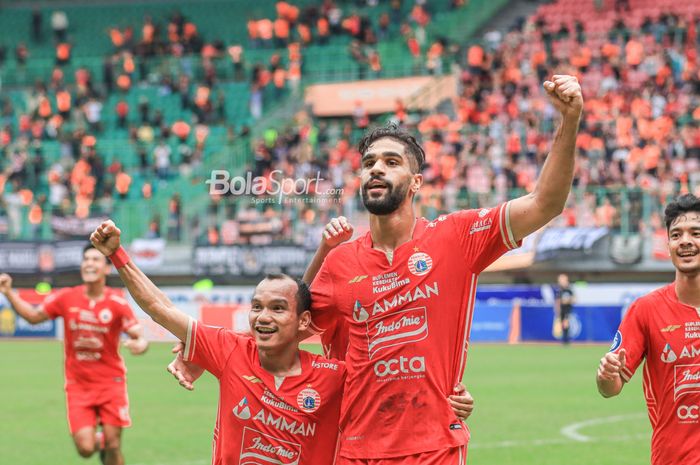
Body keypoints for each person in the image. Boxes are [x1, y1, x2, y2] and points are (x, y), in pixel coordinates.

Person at [172, 74, 583, 463]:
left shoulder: (457, 237)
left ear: (416, 182)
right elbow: (285, 321)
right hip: (353, 448)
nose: (376, 169)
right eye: (369, 162)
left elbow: (546, 203)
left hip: (434, 445)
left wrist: (569, 119)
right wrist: (205, 353)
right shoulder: (339, 263)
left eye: (390, 161)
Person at [90, 220, 474, 465]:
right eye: (256, 307)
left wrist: (447, 396)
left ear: (304, 322)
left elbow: (391, 380)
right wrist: (117, 255)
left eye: (276, 308)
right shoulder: (230, 352)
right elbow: (160, 307)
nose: (263, 316)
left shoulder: (333, 377)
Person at [0, 245, 149, 465]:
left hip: (111, 382)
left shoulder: (117, 304)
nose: (89, 263)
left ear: (106, 269)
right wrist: (9, 293)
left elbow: (138, 334)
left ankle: (108, 445)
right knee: (86, 448)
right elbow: (33, 316)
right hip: (78, 385)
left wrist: (141, 344)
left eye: (95, 260)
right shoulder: (67, 297)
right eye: (86, 259)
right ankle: (102, 443)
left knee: (114, 444)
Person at [596, 194, 700, 465]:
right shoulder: (646, 309)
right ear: (668, 246)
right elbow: (610, 387)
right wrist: (606, 373)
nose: (685, 241)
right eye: (676, 235)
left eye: (695, 233)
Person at [554, 273, 575, 344]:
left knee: (566, 323)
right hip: (562, 310)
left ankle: (566, 340)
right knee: (562, 324)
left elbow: (574, 299)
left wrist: (567, 301)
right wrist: (557, 310)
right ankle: (565, 339)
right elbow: (558, 301)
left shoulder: (569, 290)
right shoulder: (559, 290)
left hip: (567, 310)